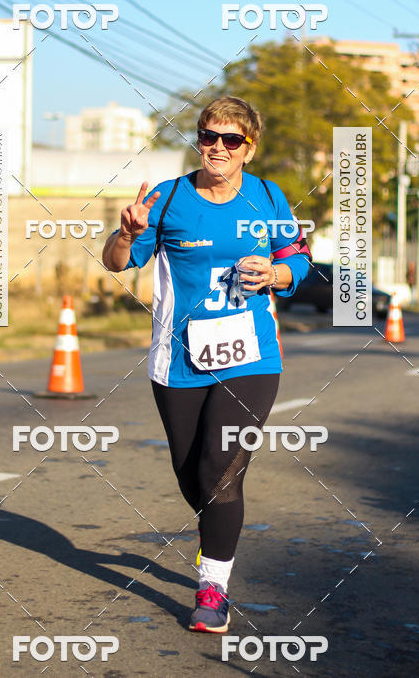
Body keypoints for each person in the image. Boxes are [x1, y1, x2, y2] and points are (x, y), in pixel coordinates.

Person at [103, 95, 311, 633]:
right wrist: (126, 232)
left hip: (253, 355)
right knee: (192, 471)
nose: (217, 147)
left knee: (222, 472)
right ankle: (213, 534)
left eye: (231, 139)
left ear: (249, 147)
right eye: (207, 136)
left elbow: (299, 260)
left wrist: (277, 276)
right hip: (179, 360)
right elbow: (117, 264)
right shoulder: (169, 200)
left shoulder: (268, 196)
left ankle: (213, 586)